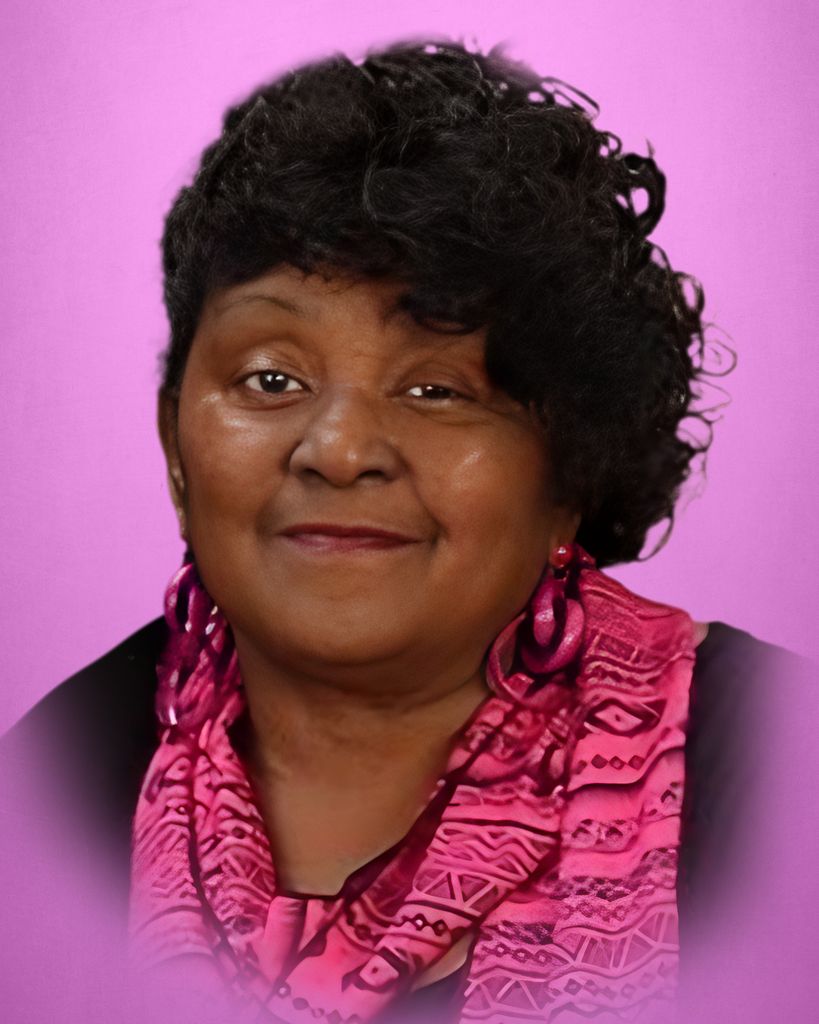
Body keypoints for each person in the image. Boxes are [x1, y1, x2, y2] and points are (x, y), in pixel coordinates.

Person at [1, 37, 811, 1024]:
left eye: (437, 389)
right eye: (270, 378)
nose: (339, 450)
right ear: (177, 445)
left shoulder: (779, 772)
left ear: (570, 472)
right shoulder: (51, 781)